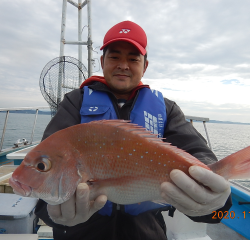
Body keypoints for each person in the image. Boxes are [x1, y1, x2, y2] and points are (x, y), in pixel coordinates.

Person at [35, 20, 232, 240]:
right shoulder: (75, 103)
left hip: (147, 232)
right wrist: (56, 217)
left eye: (133, 58)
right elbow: (48, 168)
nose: (123, 65)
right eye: (114, 57)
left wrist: (215, 199)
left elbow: (197, 152)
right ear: (102, 62)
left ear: (144, 66)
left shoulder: (166, 109)